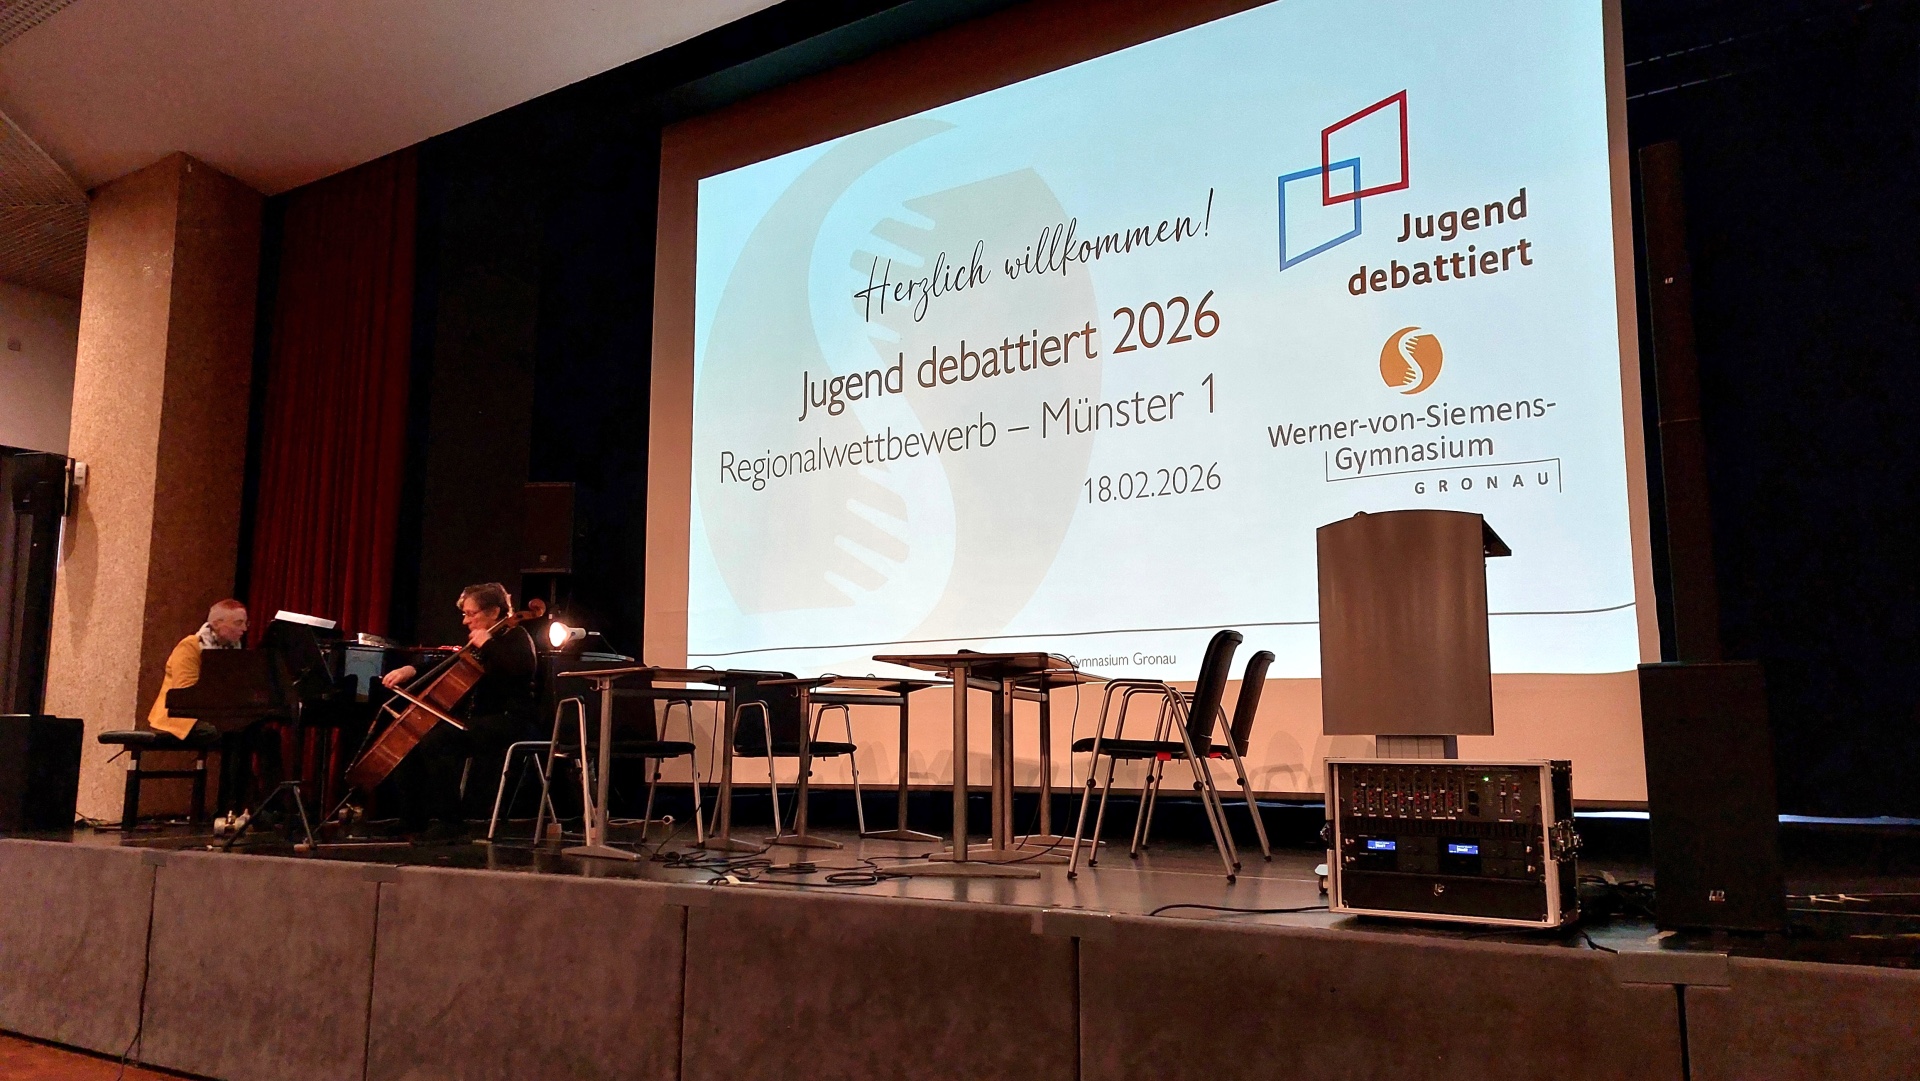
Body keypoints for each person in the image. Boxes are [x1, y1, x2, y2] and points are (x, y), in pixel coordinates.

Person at [380, 582, 539, 841]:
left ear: (494, 612)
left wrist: (488, 644)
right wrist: (411, 670)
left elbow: (520, 669)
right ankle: (412, 819)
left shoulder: (516, 637)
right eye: (464, 614)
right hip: (480, 720)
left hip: (511, 720)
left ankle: (451, 822)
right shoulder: (484, 640)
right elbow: (450, 663)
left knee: (439, 740)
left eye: (471, 614)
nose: (465, 621)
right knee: (413, 737)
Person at [146, 599, 262, 816]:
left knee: (263, 736)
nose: (244, 629)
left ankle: (265, 804)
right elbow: (185, 692)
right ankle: (231, 806)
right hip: (180, 717)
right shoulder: (190, 646)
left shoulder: (234, 651)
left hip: (216, 715)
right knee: (232, 733)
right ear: (217, 624)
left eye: (245, 623)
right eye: (238, 623)